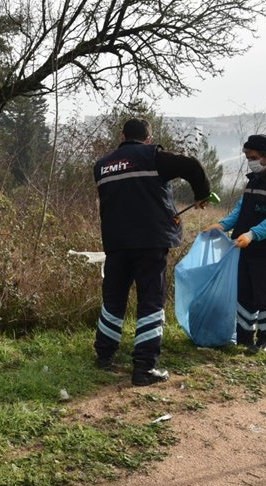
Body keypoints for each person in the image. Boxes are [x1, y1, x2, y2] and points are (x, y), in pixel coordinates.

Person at [93, 118, 211, 386]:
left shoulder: (102, 166)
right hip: (149, 242)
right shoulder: (152, 156)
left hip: (116, 243)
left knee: (113, 298)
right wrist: (202, 194)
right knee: (150, 301)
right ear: (148, 138)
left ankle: (104, 356)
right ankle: (144, 368)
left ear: (122, 136)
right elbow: (192, 165)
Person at [203, 134, 266, 352]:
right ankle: (244, 337)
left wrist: (252, 234)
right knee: (243, 292)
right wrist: (222, 225)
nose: (250, 161)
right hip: (243, 246)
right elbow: (241, 209)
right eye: (247, 157)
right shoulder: (254, 180)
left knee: (264, 294)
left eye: (253, 157)